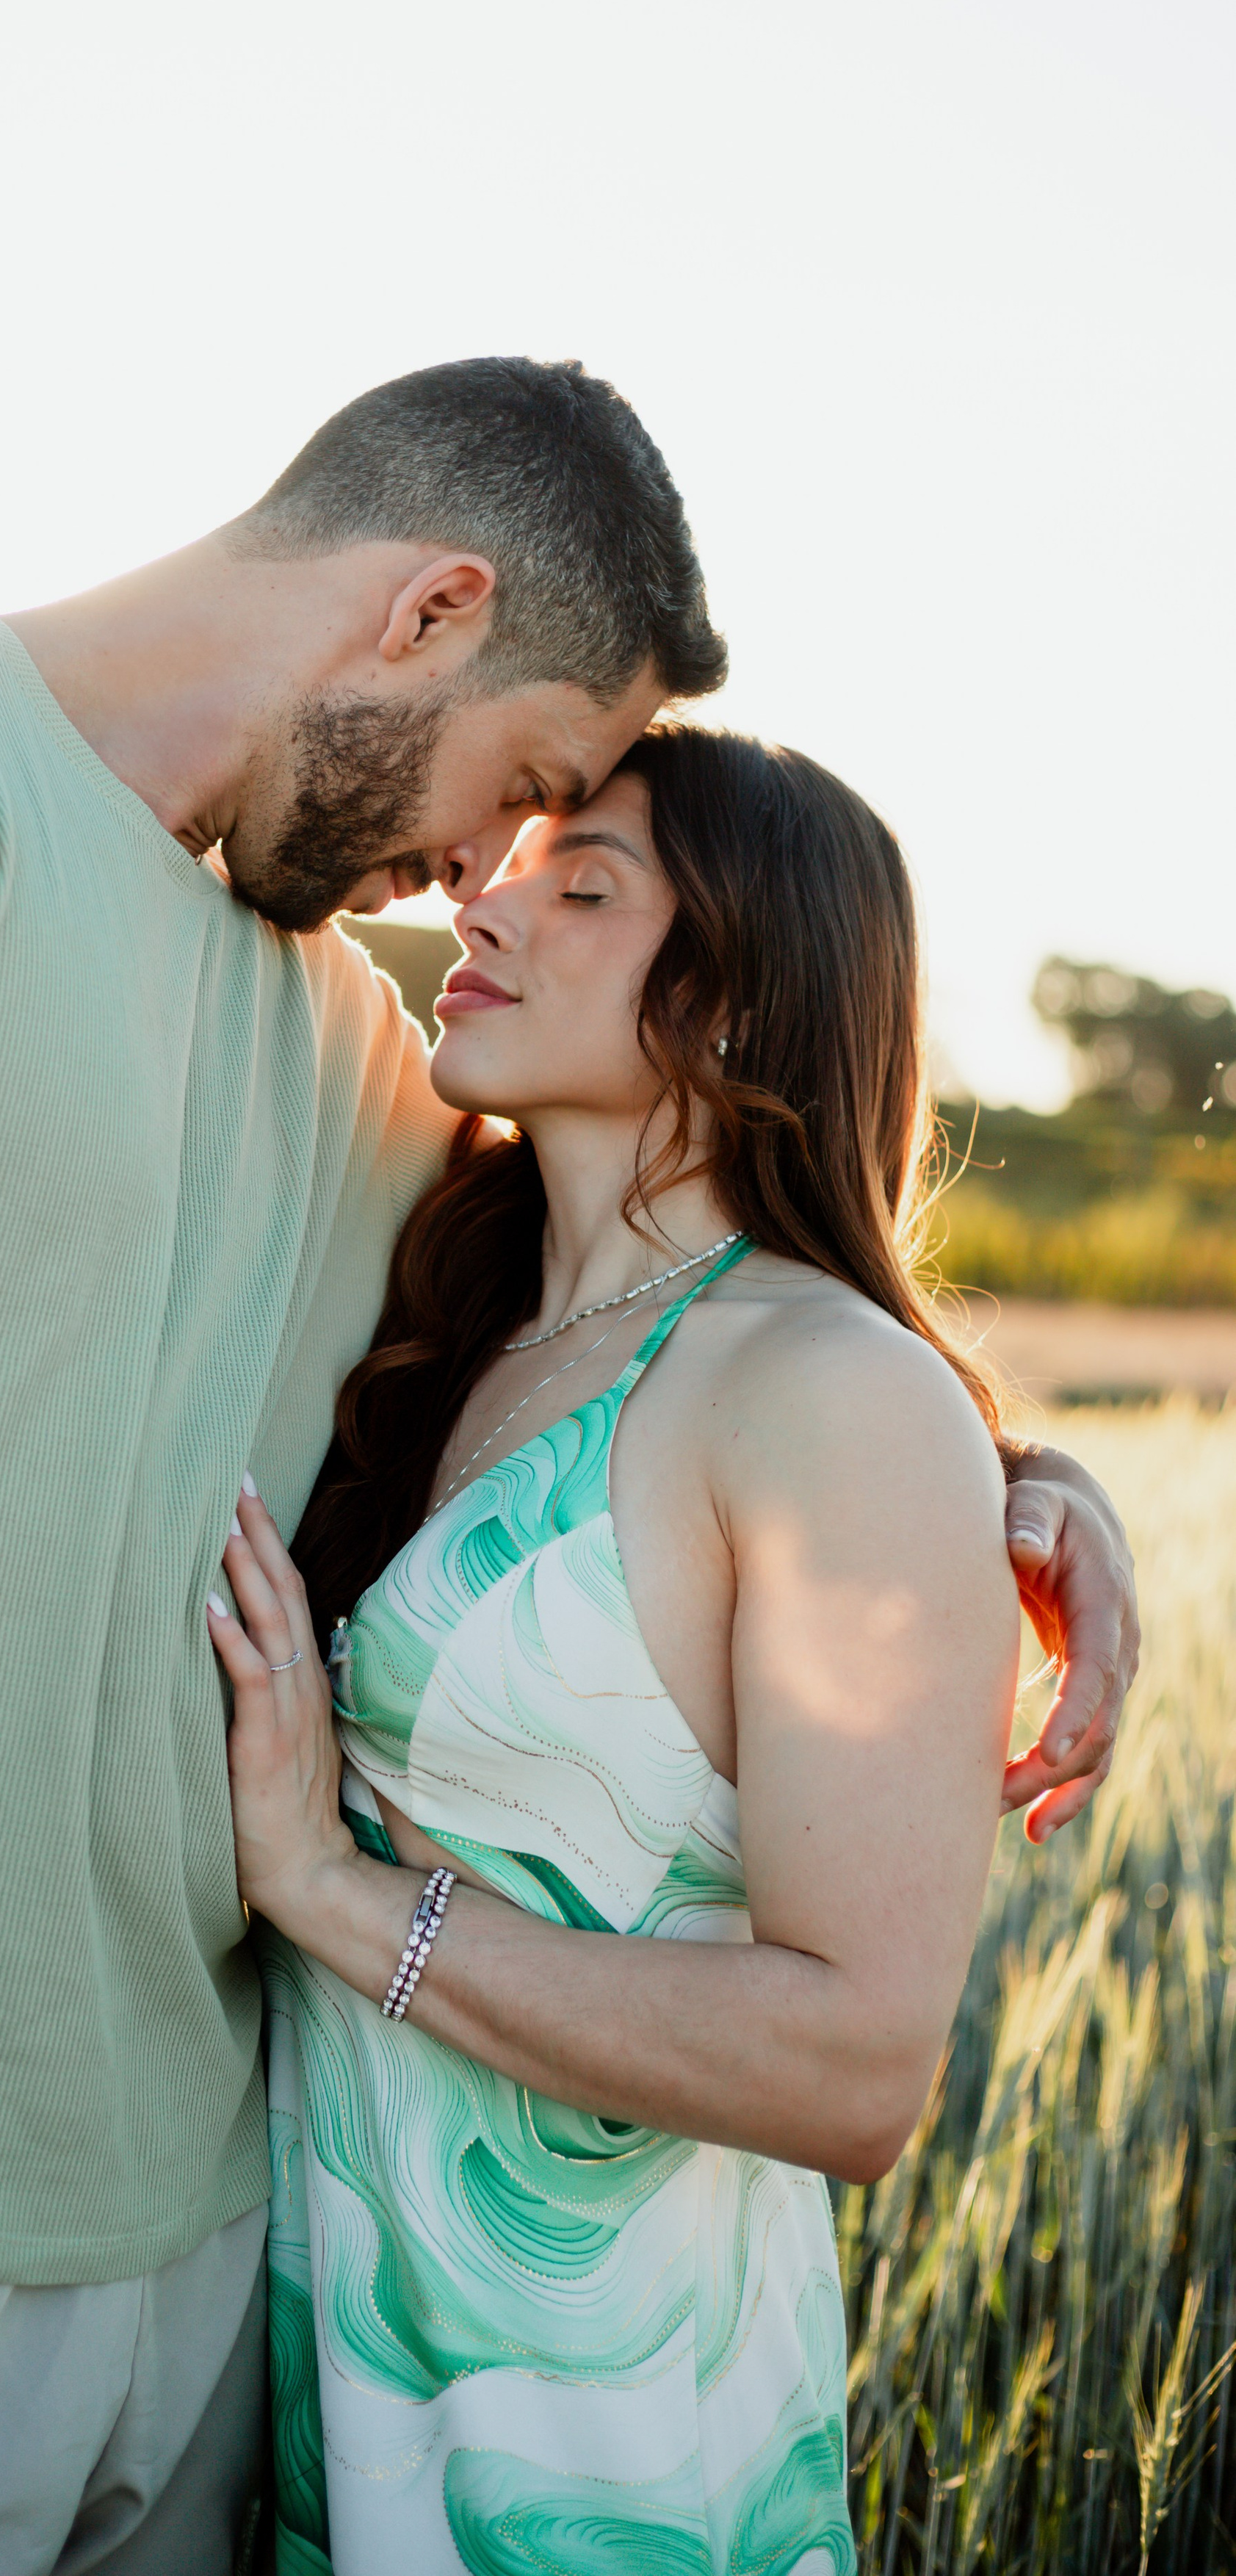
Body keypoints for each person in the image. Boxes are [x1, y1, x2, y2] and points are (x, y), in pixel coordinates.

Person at [0, 363, 1132, 2576]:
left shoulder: (342, 1042)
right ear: (428, 612)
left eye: (570, 856)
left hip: (230, 2288)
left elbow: (700, 1319)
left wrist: (1014, 1488)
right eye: (531, 788)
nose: (481, 871)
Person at [207, 727, 1055, 2573]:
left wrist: (325, 1893)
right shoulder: (455, 1312)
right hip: (335, 2412)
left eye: (581, 885)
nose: (484, 903)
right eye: (508, 864)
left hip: (596, 2457)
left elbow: (854, 2067)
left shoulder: (826, 1389)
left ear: (738, 1000)